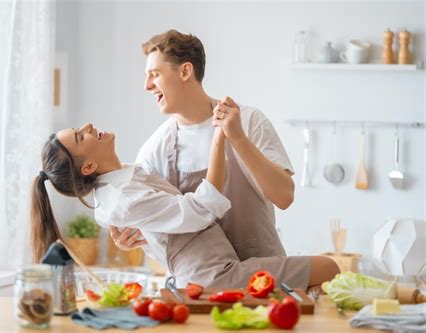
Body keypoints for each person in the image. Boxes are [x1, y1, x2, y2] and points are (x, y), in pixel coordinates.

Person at [109, 30, 339, 290]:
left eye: (155, 74)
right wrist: (137, 236)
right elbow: (169, 239)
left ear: (185, 71)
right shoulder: (154, 151)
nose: (147, 86)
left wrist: (238, 139)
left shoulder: (249, 121)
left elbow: (284, 196)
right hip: (201, 292)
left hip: (266, 283)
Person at [29, 121, 331, 289]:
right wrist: (220, 139)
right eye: (80, 136)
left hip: (214, 273)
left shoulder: (123, 180)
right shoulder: (120, 198)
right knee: (329, 267)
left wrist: (138, 238)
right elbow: (199, 210)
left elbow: (158, 224)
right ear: (88, 165)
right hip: (215, 279)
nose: (88, 125)